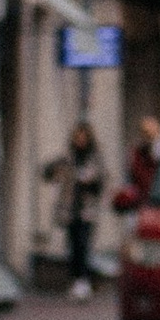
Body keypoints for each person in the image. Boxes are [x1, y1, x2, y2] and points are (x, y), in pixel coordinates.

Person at [41, 118, 104, 298]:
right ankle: (75, 279)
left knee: (84, 244)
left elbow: (100, 183)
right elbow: (49, 174)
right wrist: (54, 170)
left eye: (83, 137)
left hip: (87, 209)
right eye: (77, 137)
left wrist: (90, 181)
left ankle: (83, 280)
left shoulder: (94, 158)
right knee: (73, 245)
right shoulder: (68, 157)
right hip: (70, 208)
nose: (80, 140)